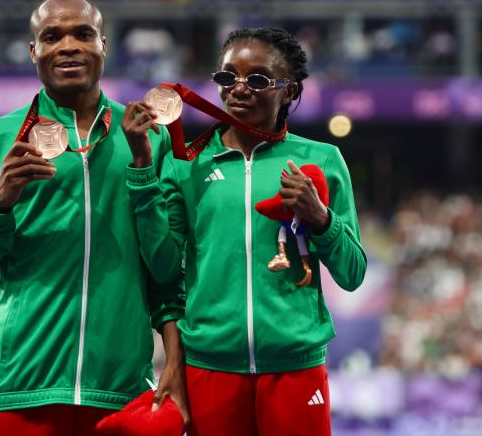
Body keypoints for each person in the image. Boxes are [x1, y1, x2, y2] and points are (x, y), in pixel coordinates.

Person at [0, 0, 187, 436]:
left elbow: (164, 268)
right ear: (33, 51)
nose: (68, 46)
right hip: (23, 387)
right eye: (51, 36)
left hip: (120, 389)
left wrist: (140, 170)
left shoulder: (148, 138)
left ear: (103, 43)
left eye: (82, 34)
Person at [122, 26, 367, 435]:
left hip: (296, 369)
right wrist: (145, 169)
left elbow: (353, 273)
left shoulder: (322, 159)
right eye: (226, 77)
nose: (238, 89)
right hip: (210, 368)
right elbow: (164, 267)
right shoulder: (187, 165)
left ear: (289, 91)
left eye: (257, 79)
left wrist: (322, 218)